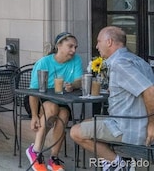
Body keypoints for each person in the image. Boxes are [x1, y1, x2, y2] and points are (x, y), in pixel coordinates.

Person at [70, 26, 154, 171]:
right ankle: (112, 163)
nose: (96, 46)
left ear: (109, 42)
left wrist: (152, 125)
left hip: (130, 127)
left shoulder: (120, 64)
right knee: (87, 122)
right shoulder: (137, 60)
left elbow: (150, 90)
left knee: (75, 132)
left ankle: (120, 165)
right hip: (128, 120)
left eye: (98, 41)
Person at [26, 32, 84, 171]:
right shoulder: (44, 62)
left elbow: (79, 80)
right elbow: (33, 91)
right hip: (38, 98)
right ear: (59, 46)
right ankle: (36, 152)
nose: (73, 50)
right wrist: (34, 116)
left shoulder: (76, 60)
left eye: (75, 47)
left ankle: (54, 159)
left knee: (63, 114)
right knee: (52, 108)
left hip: (60, 99)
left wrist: (73, 85)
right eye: (70, 46)